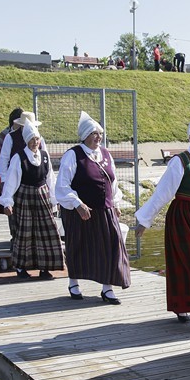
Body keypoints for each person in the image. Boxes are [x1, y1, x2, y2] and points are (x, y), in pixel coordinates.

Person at [135, 109, 190, 336]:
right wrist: (145, 219)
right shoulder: (180, 162)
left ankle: (186, 306)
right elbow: (162, 193)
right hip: (184, 218)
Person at [55, 111, 130, 303]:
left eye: (100, 133)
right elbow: (62, 185)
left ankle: (107, 288)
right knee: (79, 246)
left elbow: (112, 182)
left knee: (112, 246)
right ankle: (73, 282)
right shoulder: (73, 155)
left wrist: (115, 203)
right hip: (81, 212)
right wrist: (77, 203)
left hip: (105, 209)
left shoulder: (105, 154)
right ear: (84, 135)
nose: (98, 137)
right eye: (93, 133)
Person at [0, 120, 64, 280]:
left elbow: (50, 179)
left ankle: (45, 267)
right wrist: (7, 202)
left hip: (43, 197)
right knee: (24, 233)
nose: (35, 142)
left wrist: (55, 199)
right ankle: (21, 267)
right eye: (32, 139)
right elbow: (11, 181)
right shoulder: (18, 158)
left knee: (46, 232)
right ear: (26, 141)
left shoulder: (45, 156)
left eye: (37, 139)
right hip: (25, 198)